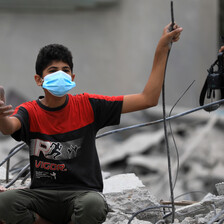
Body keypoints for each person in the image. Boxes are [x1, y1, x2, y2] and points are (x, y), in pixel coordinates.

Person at [0, 23, 182, 224]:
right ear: (39, 79)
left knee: (93, 205)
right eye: (53, 70)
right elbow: (9, 126)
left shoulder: (88, 105)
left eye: (65, 70)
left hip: (82, 195)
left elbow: (148, 98)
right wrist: (1, 116)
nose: (60, 74)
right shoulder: (30, 110)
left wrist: (162, 48)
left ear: (73, 77)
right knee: (4, 201)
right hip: (42, 195)